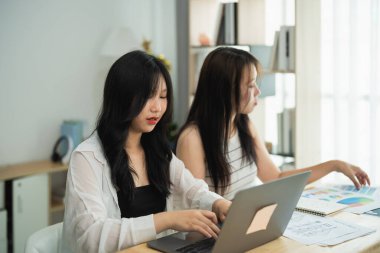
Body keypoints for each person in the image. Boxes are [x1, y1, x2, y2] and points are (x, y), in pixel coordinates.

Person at [61, 50, 231, 253]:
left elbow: (193, 189)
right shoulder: (87, 158)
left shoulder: (158, 151)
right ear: (122, 97)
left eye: (163, 96)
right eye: (149, 96)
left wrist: (219, 204)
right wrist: (166, 220)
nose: (157, 107)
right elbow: (92, 236)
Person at [176, 47, 370, 200]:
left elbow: (275, 179)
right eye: (251, 85)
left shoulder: (244, 125)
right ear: (225, 89)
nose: (258, 92)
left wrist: (334, 165)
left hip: (246, 224)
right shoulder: (193, 139)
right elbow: (198, 207)